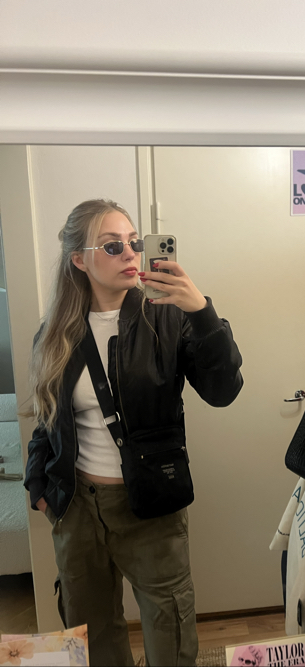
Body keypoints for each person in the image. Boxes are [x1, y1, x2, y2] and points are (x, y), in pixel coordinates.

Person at [23, 199, 243, 666]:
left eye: (134, 242)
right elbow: (48, 419)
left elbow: (224, 390)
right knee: (92, 632)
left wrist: (202, 313)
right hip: (76, 508)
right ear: (79, 260)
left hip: (151, 505)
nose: (129, 253)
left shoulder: (168, 316)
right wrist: (37, 486)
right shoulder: (55, 333)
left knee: (170, 631)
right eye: (112, 245)